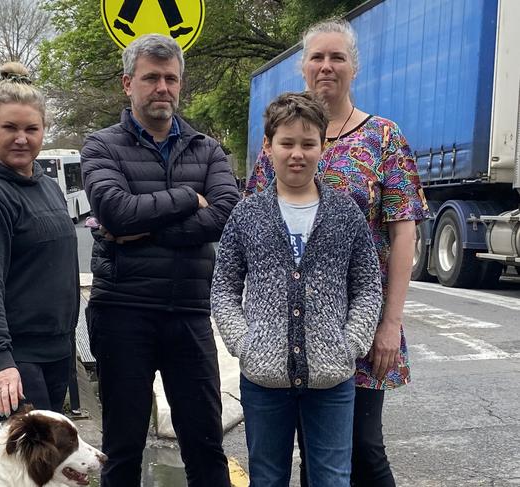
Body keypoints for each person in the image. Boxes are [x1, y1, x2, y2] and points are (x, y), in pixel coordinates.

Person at [247, 19, 430, 486]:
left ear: (355, 67)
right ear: (303, 67)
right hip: (292, 330)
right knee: (316, 456)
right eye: (317, 57)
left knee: (364, 449)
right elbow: (253, 234)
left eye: (338, 58)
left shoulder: (383, 138)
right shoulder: (278, 142)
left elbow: (404, 233)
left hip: (361, 326)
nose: (327, 67)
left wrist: (389, 324)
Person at [81, 34, 239, 487]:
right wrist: (190, 196)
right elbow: (115, 211)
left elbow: (227, 215)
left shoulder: (206, 149)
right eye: (151, 78)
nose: (162, 88)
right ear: (128, 83)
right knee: (123, 447)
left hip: (188, 313)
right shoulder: (101, 146)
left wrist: (140, 230)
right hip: (122, 312)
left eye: (171, 79)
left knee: (205, 443)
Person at [212, 91, 382, 486]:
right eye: (287, 143)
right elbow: (223, 287)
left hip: (332, 379)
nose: (297, 154)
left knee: (332, 478)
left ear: (323, 146)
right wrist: (246, 343)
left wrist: (350, 344)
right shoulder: (248, 213)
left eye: (308, 144)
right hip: (263, 381)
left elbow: (368, 286)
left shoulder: (344, 213)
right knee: (267, 477)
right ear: (268, 147)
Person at [0, 62, 79, 429]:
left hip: (52, 350)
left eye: (31, 129)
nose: (21, 138)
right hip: (10, 357)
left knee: (44, 469)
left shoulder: (45, 185)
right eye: (9, 127)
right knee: (24, 471)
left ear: (43, 132)